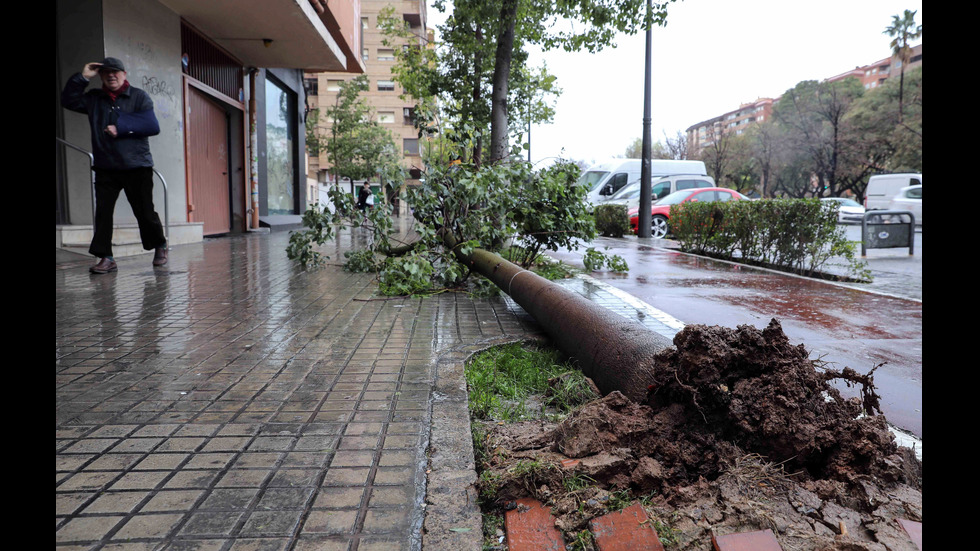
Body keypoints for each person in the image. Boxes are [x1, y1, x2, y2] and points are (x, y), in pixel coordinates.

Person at [61, 56, 168, 273]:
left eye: (116, 72)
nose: (111, 75)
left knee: (145, 212)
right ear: (100, 75)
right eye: (106, 72)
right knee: (103, 212)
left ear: (124, 74)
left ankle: (159, 245)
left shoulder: (138, 96)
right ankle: (106, 257)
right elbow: (69, 100)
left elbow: (151, 125)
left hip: (136, 165)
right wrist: (82, 77)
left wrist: (120, 127)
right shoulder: (94, 98)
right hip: (105, 166)